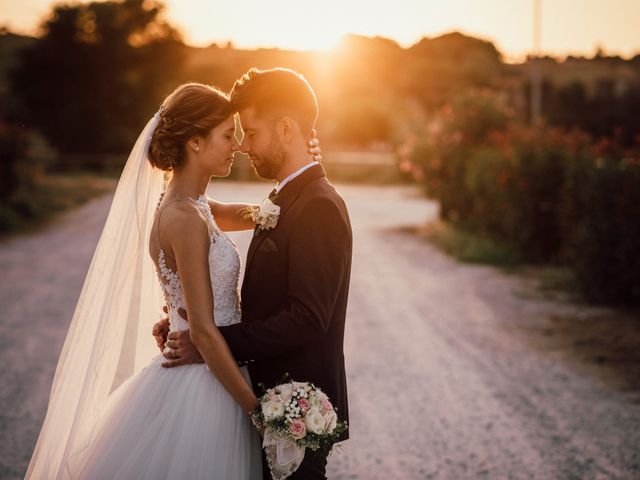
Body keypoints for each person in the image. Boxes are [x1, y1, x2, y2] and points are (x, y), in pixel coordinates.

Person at [27, 83, 264, 479]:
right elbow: (203, 333)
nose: (237, 145)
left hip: (215, 369)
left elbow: (244, 213)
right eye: (227, 135)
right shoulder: (183, 217)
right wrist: (256, 412)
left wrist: (288, 202)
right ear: (195, 142)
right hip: (206, 383)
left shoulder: (195, 205)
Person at [154, 68, 353, 479]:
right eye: (232, 135)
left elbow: (308, 319)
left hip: (296, 407)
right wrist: (184, 313)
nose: (243, 146)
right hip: (255, 389)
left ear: (285, 129)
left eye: (251, 133)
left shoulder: (316, 205)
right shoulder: (285, 199)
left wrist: (207, 340)